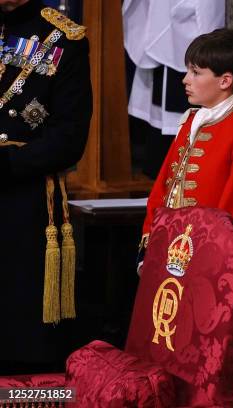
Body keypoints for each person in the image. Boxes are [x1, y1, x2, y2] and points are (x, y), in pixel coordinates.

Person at [0, 0, 92, 373]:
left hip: (23, 195)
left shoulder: (63, 38)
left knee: (17, 325)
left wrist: (7, 165)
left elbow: (70, 137)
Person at [139, 28, 233, 272]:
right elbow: (164, 185)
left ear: (225, 81)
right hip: (168, 246)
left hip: (203, 256)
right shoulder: (189, 121)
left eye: (196, 73)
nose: (185, 79)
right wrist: (149, 237)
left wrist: (209, 254)